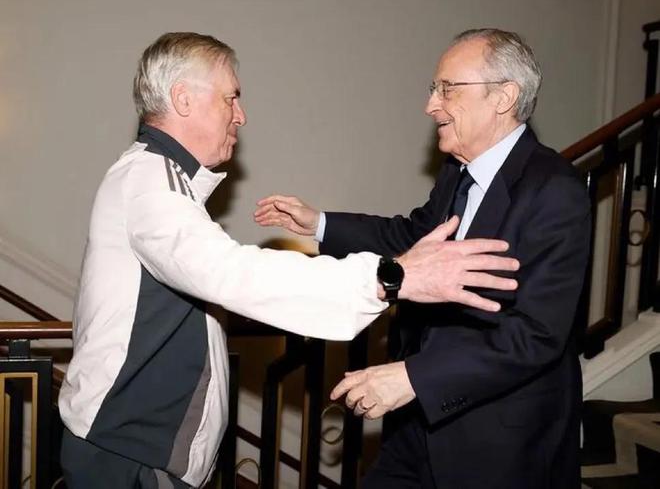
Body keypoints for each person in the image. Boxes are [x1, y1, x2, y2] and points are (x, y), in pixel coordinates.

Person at [57, 32, 520, 488]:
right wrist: (390, 278)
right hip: (131, 454)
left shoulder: (157, 179)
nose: (241, 115)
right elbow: (230, 273)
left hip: (137, 449)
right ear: (183, 99)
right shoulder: (151, 184)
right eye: (231, 98)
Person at [255, 28, 591, 488]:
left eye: (447, 89)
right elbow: (414, 238)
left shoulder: (555, 190)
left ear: (503, 97)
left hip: (499, 443)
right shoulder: (458, 173)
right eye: (434, 89)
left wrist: (413, 378)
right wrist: (320, 224)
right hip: (418, 425)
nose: (431, 105)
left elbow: (535, 334)